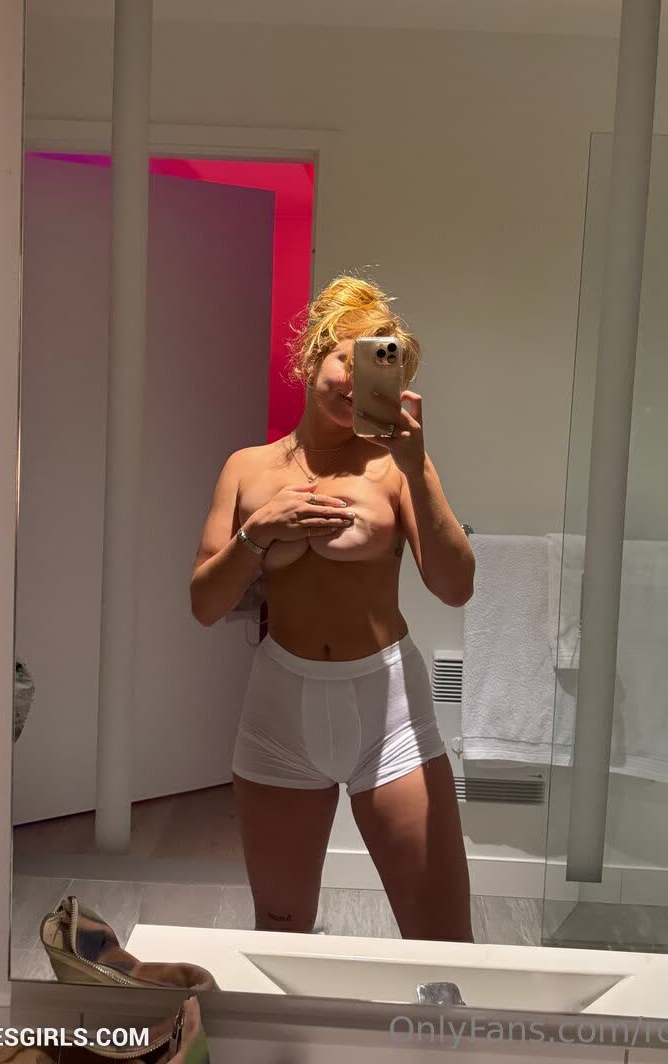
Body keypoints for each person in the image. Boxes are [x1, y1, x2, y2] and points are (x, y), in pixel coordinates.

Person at [190, 274, 475, 942]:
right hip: (279, 710)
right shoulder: (247, 469)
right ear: (312, 355)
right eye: (349, 357)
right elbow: (205, 604)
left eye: (381, 364)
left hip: (390, 709)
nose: (357, 380)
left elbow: (456, 586)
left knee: (442, 939)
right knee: (280, 932)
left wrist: (416, 466)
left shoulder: (397, 466)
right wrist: (259, 531)